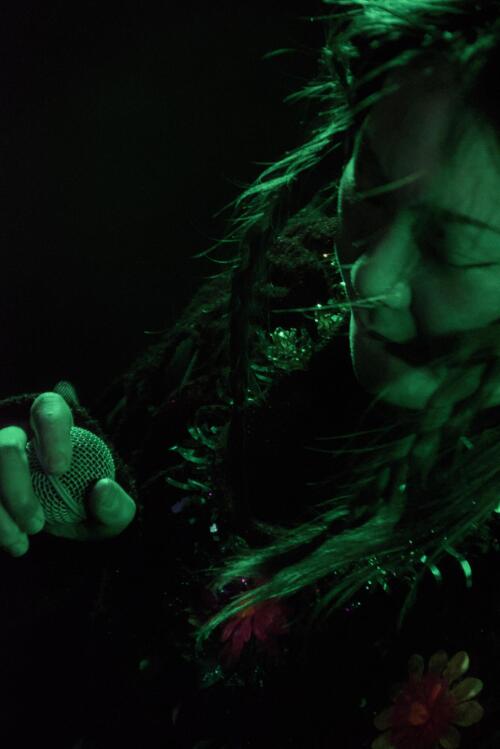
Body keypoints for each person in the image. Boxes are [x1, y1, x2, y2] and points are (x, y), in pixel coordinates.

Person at [2, 1, 500, 747]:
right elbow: (135, 501)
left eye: (450, 249)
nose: (369, 277)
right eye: (371, 180)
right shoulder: (295, 281)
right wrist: (44, 494)